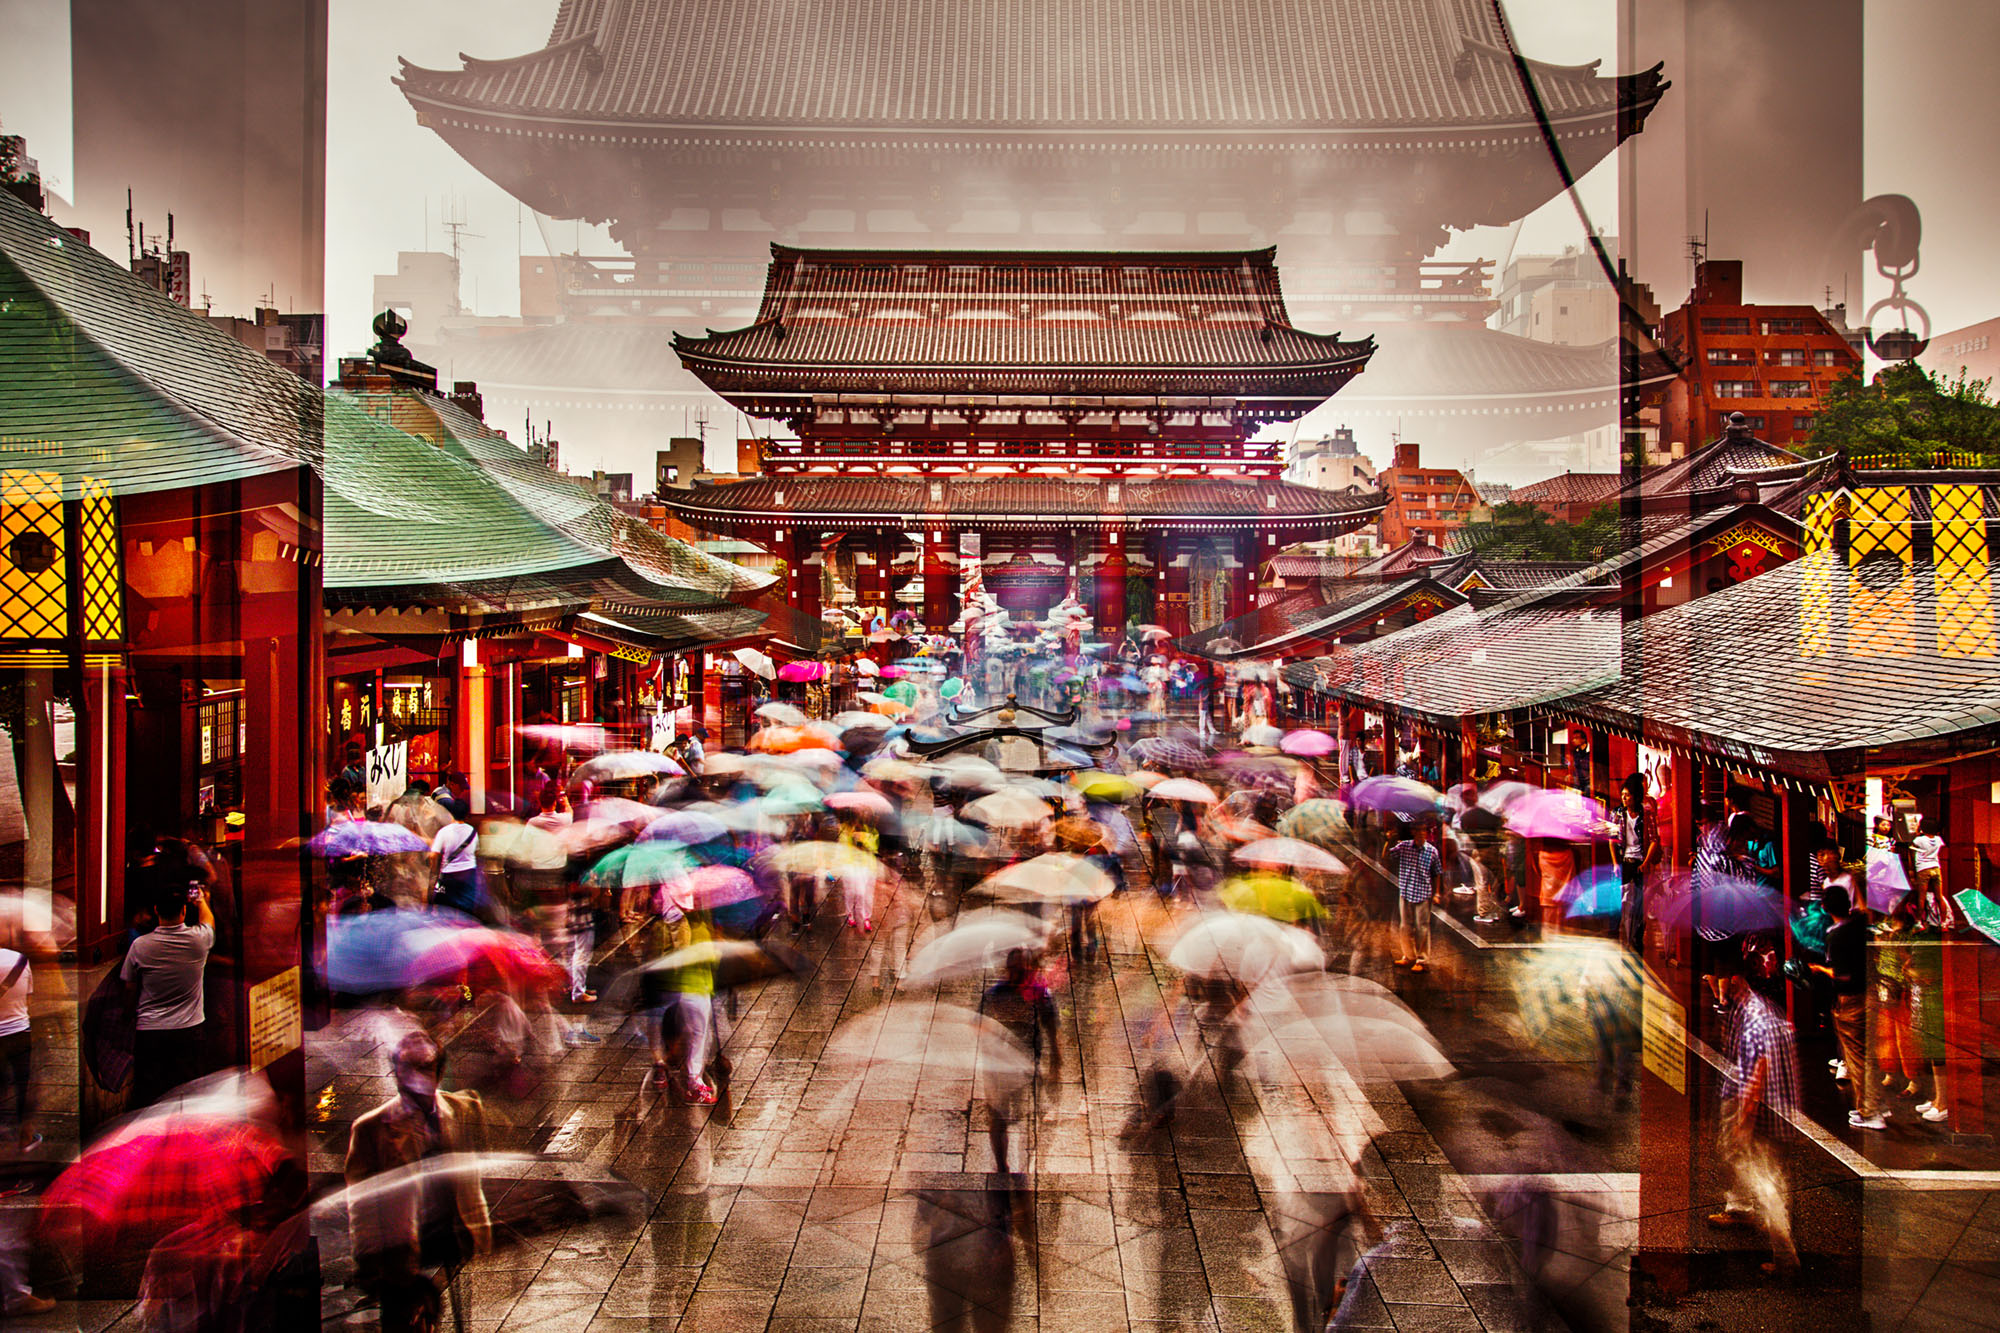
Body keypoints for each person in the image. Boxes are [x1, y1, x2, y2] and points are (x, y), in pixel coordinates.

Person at [344, 1031, 492, 1333]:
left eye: (424, 1067)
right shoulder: (370, 1129)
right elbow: (362, 1205)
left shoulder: (464, 1111)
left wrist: (479, 1225)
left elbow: (476, 1169)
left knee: (461, 1318)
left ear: (438, 1073)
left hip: (452, 1236)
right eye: (405, 1067)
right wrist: (369, 1261)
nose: (414, 1077)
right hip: (402, 1249)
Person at [1707, 954, 1801, 1276]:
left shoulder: (1755, 1024)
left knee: (1766, 1182)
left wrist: (1743, 1124)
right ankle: (1742, 1209)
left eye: (1716, 981)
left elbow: (1755, 1079)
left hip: (1762, 1117)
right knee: (1764, 1175)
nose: (1712, 986)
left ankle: (1786, 1259)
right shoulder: (1758, 1009)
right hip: (1777, 1112)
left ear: (1734, 981)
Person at [122, 847, 217, 1108]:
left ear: (156, 910)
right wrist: (201, 902)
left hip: (150, 1033)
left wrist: (128, 1016)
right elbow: (209, 921)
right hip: (189, 1031)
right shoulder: (199, 941)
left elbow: (130, 989)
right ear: (183, 912)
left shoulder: (140, 946)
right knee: (187, 1093)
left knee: (150, 1094)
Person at [980, 950, 1060, 1175]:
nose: (1017, 974)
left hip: (1025, 1065)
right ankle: (1002, 1165)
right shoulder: (996, 995)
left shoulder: (1038, 994)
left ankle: (1020, 1161)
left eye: (1021, 970)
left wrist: (1055, 1058)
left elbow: (1051, 1027)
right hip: (999, 1067)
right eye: (1014, 970)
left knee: (1018, 1113)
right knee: (998, 1117)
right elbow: (981, 1028)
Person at [1811, 887, 1883, 1130]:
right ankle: (1875, 1103)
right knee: (1868, 1054)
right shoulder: (1860, 924)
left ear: (1825, 909)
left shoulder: (1836, 936)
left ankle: (1870, 1111)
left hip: (1850, 1000)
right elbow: (1864, 911)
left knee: (1856, 1057)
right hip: (1870, 993)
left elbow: (1842, 975)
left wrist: (1820, 970)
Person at [1386, 819, 1442, 973]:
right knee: (1405, 927)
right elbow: (1387, 856)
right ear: (1412, 832)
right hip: (1406, 891)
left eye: (1423, 830)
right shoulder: (1404, 847)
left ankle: (1421, 959)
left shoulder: (1431, 851)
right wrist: (1390, 839)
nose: (1421, 833)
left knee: (1422, 927)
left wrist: (1437, 893)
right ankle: (1408, 955)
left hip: (1423, 893)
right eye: (1417, 830)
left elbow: (1437, 873)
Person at [1616, 774, 1660, 953]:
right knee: (1626, 900)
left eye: (1627, 795)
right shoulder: (1618, 814)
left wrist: (1646, 861)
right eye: (1623, 795)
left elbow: (1655, 840)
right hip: (1625, 861)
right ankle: (1627, 936)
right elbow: (1614, 841)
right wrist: (1615, 863)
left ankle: (1637, 936)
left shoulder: (1646, 815)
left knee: (1641, 901)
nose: (1624, 798)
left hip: (1640, 862)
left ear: (1635, 796)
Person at [0, 937, 35, 1155]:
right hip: (19, 1031)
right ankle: (25, 1139)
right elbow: (28, 998)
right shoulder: (20, 960)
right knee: (23, 1085)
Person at [1909, 817, 1957, 930]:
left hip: (1923, 869)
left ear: (1922, 827)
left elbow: (1911, 852)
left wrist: (1917, 833)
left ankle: (1919, 922)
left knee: (1921, 897)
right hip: (1936, 868)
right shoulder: (1938, 839)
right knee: (1939, 896)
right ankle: (1944, 923)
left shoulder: (1919, 840)